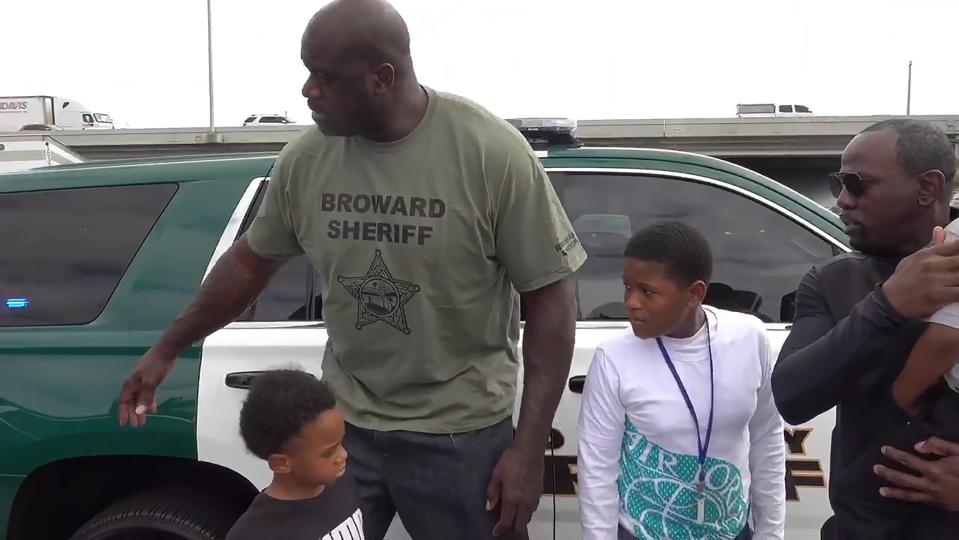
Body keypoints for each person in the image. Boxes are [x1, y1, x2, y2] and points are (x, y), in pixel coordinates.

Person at [116, 0, 585, 538]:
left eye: (324, 77)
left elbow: (550, 297)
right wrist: (168, 347)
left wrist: (527, 450)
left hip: (461, 433)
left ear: (381, 79)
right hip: (342, 430)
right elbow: (250, 262)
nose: (307, 90)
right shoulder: (308, 160)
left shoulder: (489, 153)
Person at [771, 118, 959, 539]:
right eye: (837, 184)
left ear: (927, 187)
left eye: (856, 184)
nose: (842, 201)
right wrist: (887, 305)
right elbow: (792, 396)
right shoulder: (834, 282)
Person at [577, 221, 785, 540]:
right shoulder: (614, 359)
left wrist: (770, 533)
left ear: (694, 293)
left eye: (647, 291)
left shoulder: (749, 338)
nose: (631, 302)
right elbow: (597, 474)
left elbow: (766, 438)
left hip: (730, 532)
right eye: (627, 286)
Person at [225, 369, 361, 540]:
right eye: (329, 452)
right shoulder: (255, 533)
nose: (344, 455)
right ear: (281, 463)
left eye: (341, 442)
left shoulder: (341, 482)